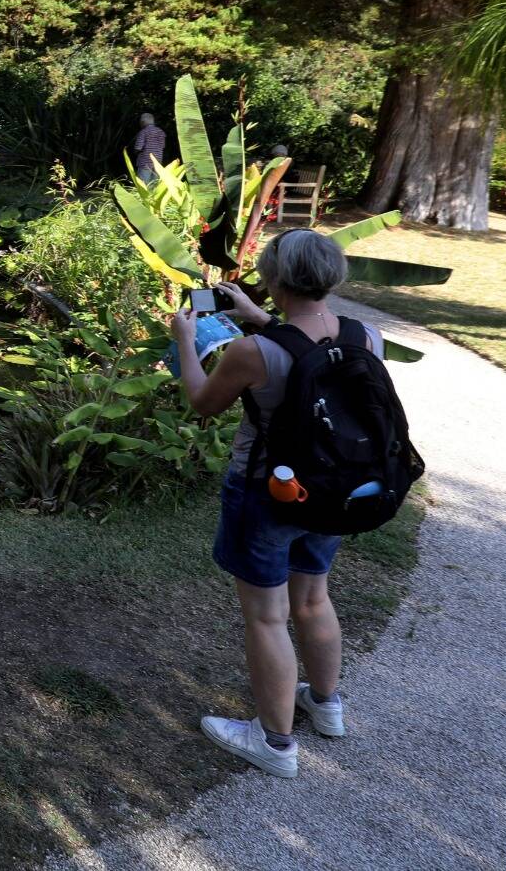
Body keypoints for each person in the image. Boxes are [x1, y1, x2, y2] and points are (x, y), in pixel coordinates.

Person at [169, 229, 378, 779]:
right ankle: (327, 706)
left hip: (266, 493)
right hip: (332, 491)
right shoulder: (365, 337)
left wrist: (186, 340)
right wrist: (263, 318)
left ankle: (275, 743)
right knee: (312, 597)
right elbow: (311, 353)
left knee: (266, 616)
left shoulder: (250, 352)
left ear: (274, 278)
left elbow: (201, 402)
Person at [131, 112, 166, 183]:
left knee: (143, 185)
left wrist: (134, 153)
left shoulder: (143, 132)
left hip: (145, 163)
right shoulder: (161, 132)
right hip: (158, 163)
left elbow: (138, 148)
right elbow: (162, 146)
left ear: (143, 122)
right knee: (154, 186)